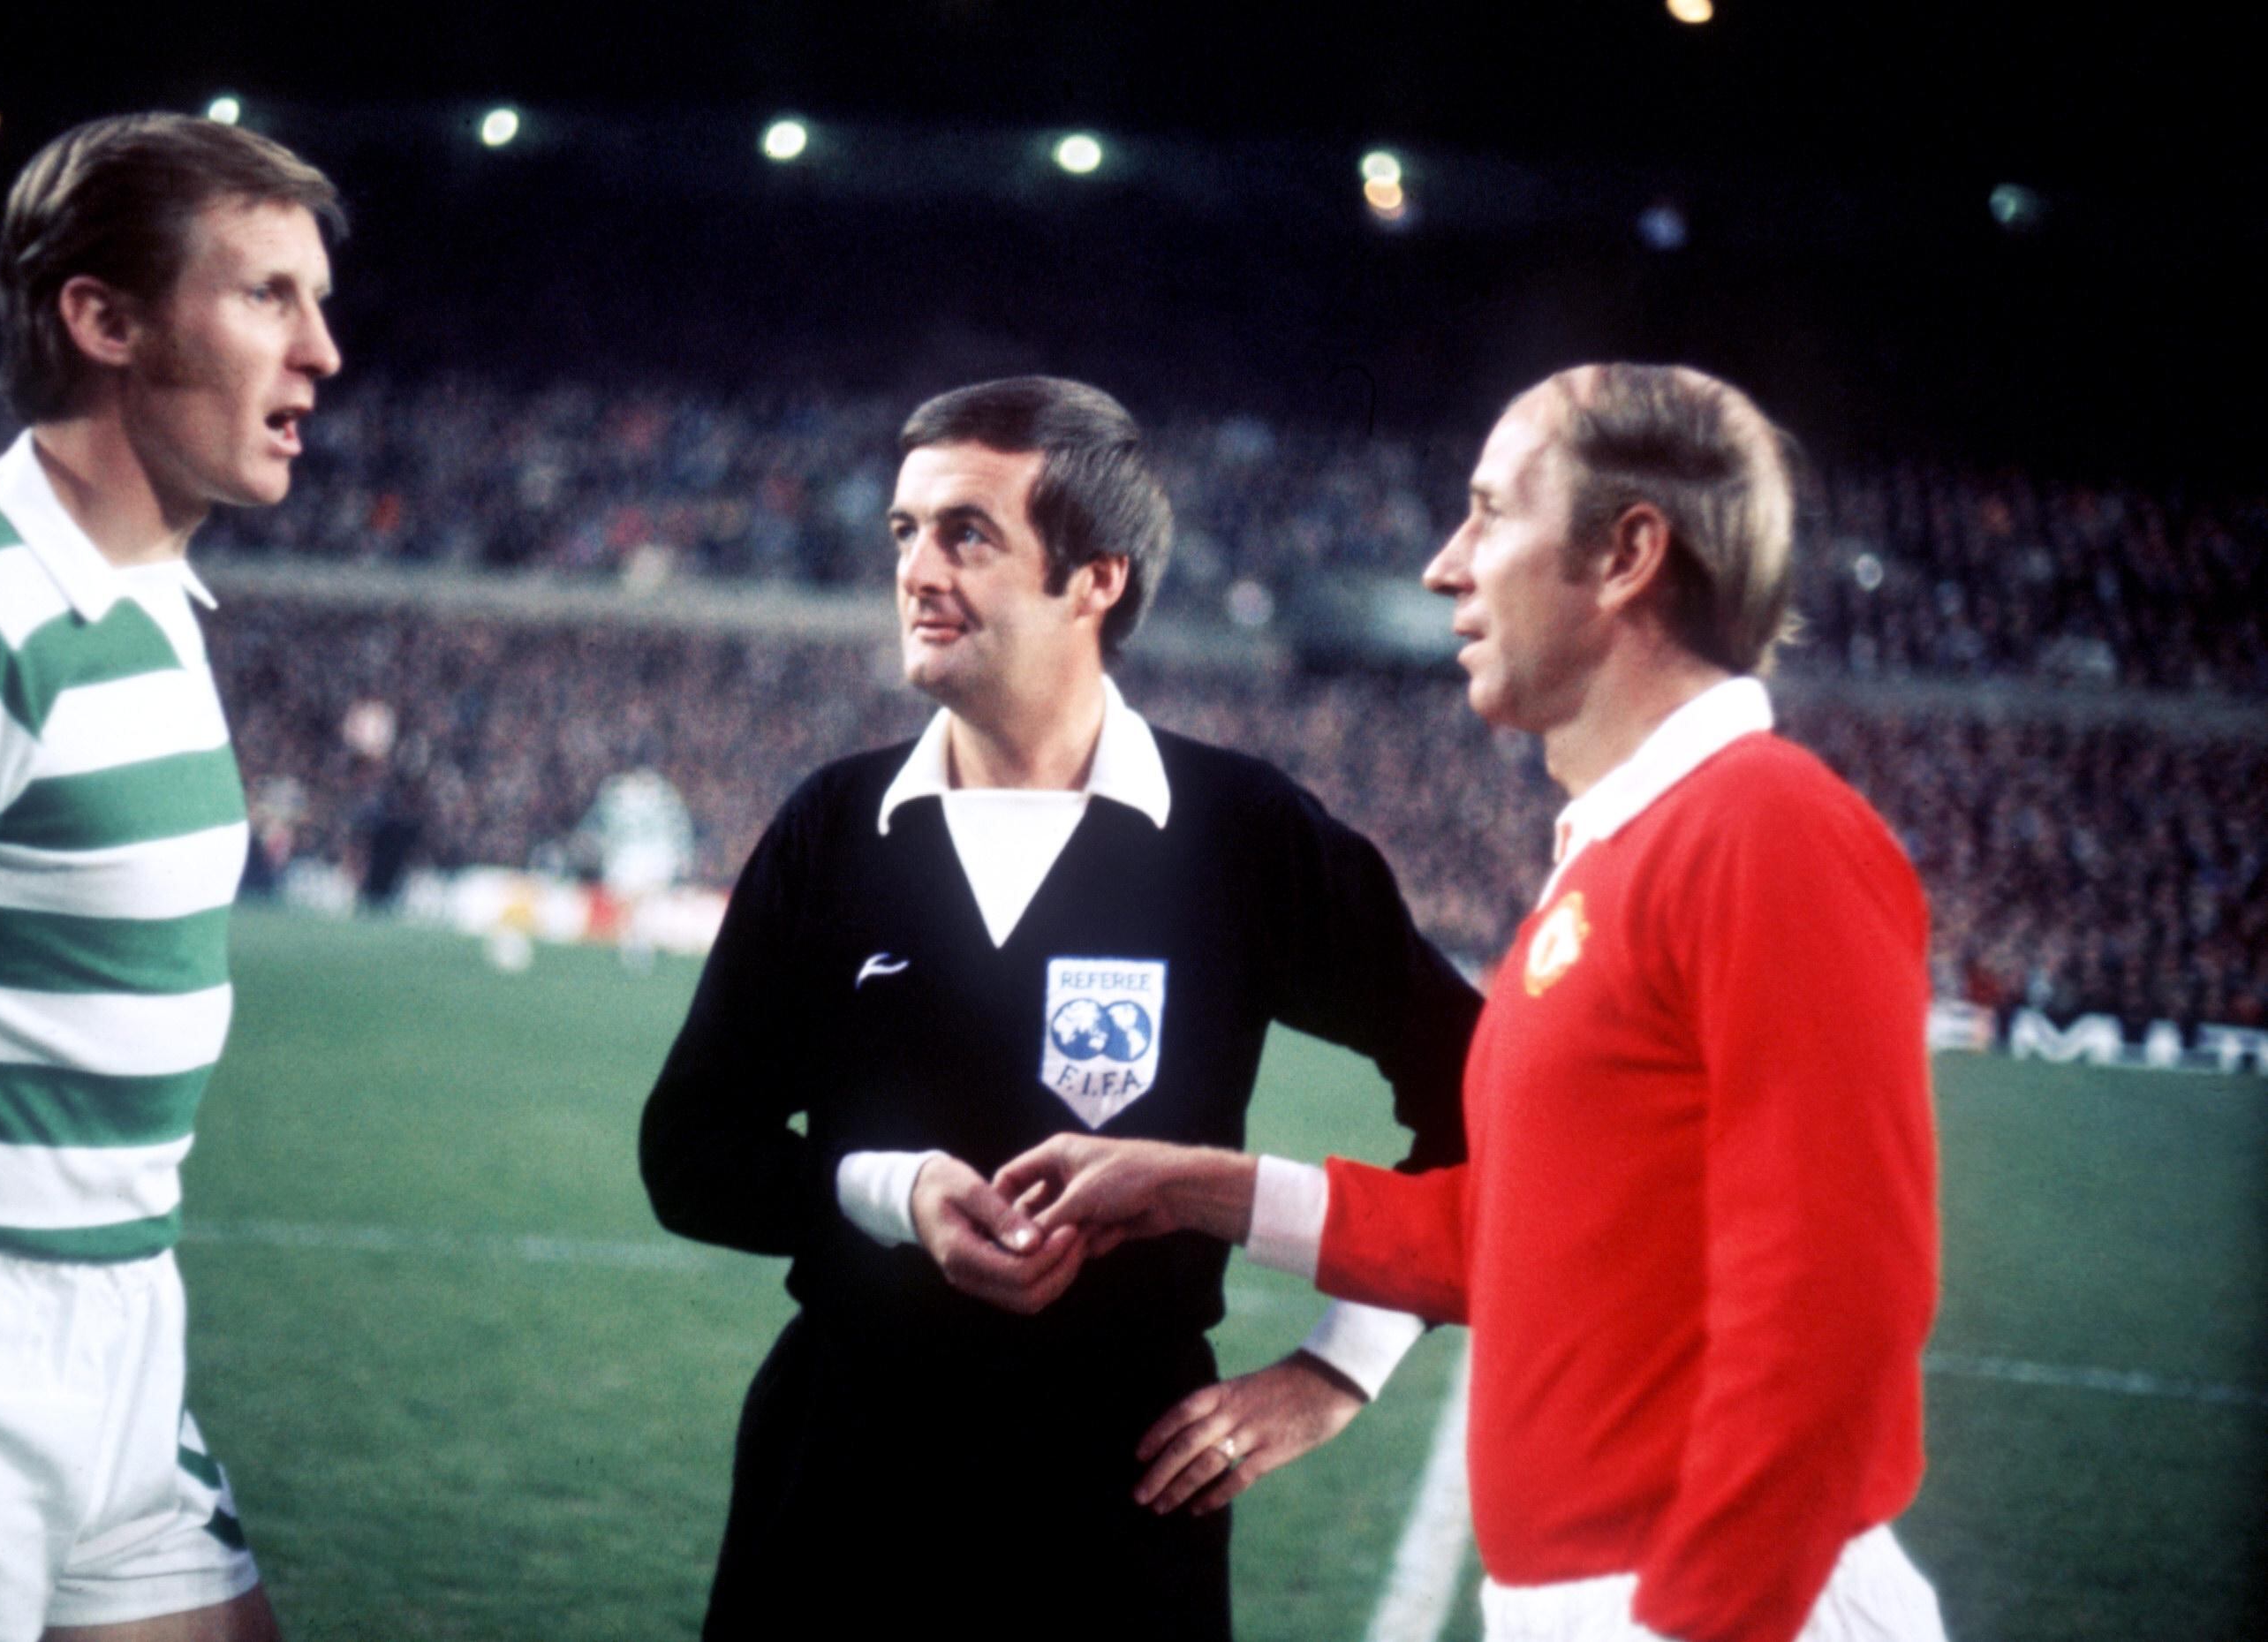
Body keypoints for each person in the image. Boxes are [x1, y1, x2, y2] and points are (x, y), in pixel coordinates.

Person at [1002, 365, 1946, 1642]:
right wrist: (1191, 1187)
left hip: (1718, 1599)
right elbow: (1518, 1239)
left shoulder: (1763, 829)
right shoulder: (1626, 851)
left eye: (1490, 514)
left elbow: (1837, 1314)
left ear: (1627, 554)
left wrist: (1695, 1622)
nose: (1446, 568)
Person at [639, 376, 1479, 1639]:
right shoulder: (833, 828)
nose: (919, 569)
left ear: (1097, 577)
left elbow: (1486, 1094)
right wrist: (898, 1193)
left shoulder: (1239, 835)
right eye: (905, 533)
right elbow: (690, 1155)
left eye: (966, 533)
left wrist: (1333, 1374)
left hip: (1125, 1492)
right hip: (838, 1475)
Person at [0, 112, 344, 1642]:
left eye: (315, 299)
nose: (322, 352)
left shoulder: (153, 596)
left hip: (115, 1312)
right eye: (267, 298)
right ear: (100, 319)